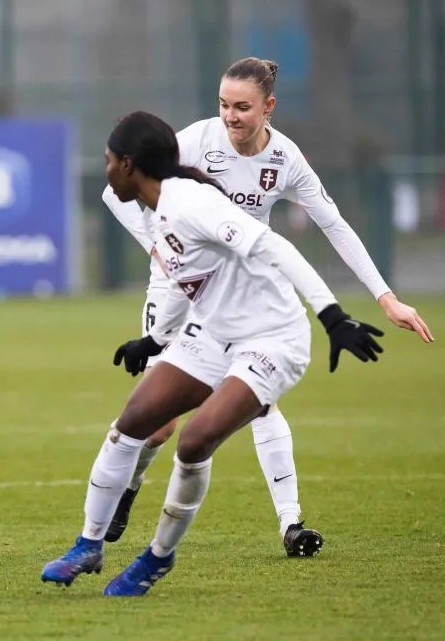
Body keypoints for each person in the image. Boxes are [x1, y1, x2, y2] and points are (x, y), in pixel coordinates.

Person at [41, 110, 385, 596]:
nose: (105, 170)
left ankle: (156, 559)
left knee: (194, 440)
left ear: (129, 165)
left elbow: (278, 249)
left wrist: (331, 315)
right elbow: (188, 284)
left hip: (272, 338)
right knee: (131, 426)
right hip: (212, 331)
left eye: (108, 160)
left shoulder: (191, 203)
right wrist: (155, 340)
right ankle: (88, 544)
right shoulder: (158, 211)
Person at [99, 57, 432, 557]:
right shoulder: (196, 140)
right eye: (224, 105)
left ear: (268, 107)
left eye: (242, 107)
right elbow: (115, 193)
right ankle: (130, 486)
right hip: (178, 289)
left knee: (261, 400)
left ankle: (291, 523)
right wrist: (155, 243)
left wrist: (385, 297)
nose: (230, 117)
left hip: (244, 296)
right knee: (158, 425)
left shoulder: (286, 160)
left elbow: (333, 224)